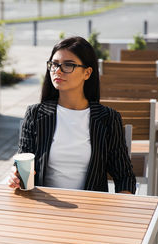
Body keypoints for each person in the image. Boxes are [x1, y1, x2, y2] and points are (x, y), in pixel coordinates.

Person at [8, 36, 136, 194]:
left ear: (87, 73)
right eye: (54, 65)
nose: (58, 71)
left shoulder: (107, 118)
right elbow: (22, 164)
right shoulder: (36, 114)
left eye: (68, 65)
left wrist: (122, 210)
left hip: (92, 209)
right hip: (45, 207)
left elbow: (124, 176)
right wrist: (16, 176)